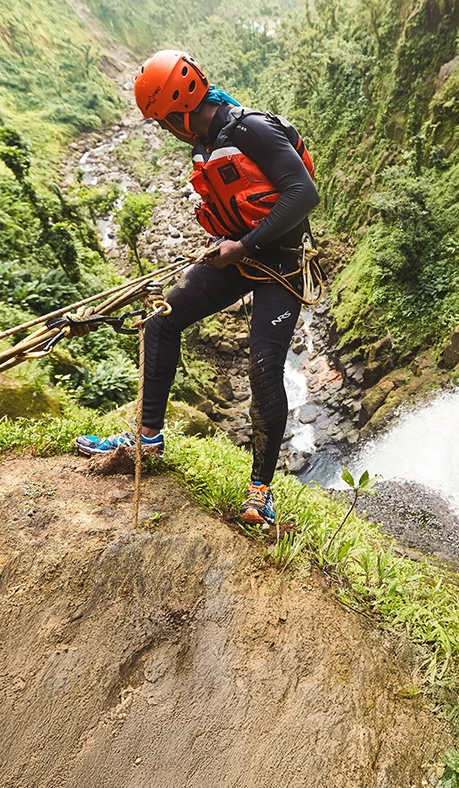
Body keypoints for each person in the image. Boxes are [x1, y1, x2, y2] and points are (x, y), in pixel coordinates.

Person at [76, 50, 319, 525]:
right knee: (162, 318)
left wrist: (244, 244)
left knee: (265, 365)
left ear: (179, 107)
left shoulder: (252, 130)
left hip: (283, 261)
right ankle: (146, 439)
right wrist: (225, 245)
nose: (164, 129)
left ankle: (260, 493)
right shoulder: (203, 144)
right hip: (237, 253)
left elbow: (304, 193)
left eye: (163, 120)